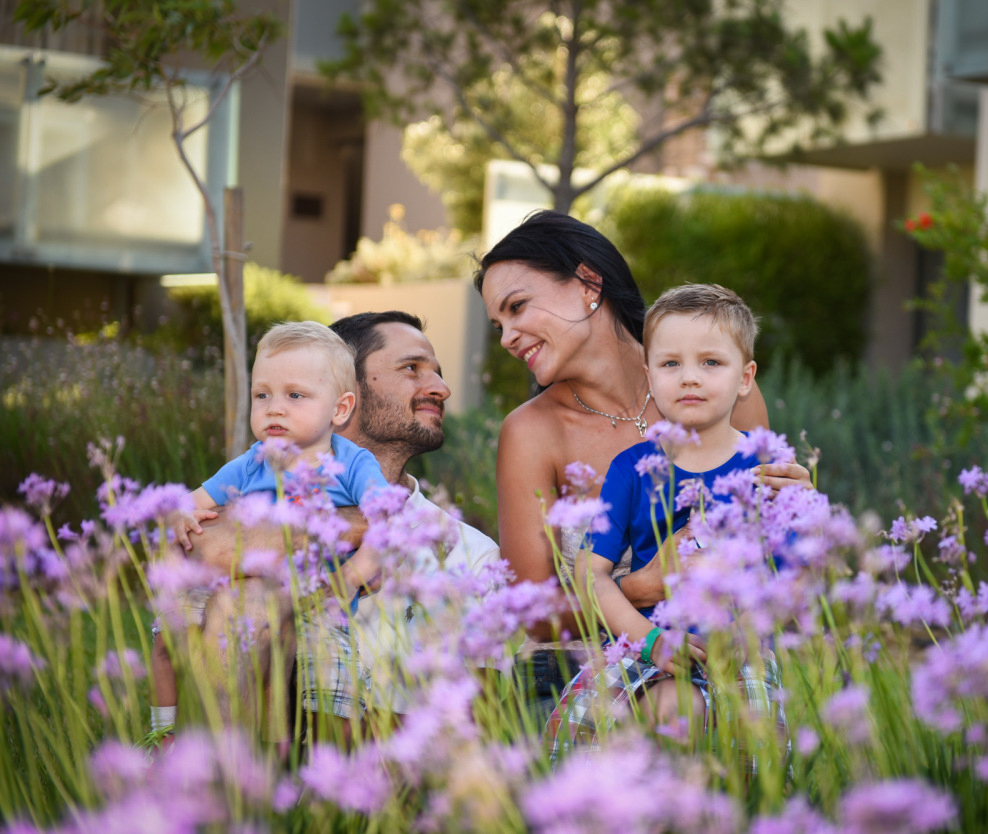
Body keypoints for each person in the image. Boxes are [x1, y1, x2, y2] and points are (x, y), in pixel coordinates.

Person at [474, 211, 796, 710]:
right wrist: (642, 585)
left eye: (517, 307)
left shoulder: (719, 391)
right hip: (581, 667)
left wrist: (798, 506)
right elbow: (533, 613)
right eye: (499, 323)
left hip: (728, 653)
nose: (507, 337)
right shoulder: (530, 432)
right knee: (676, 711)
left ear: (588, 283)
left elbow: (772, 547)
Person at [181, 312, 498, 733]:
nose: (441, 388)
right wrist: (351, 528)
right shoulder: (254, 484)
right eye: (412, 368)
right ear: (350, 393)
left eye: (437, 373)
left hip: (377, 774)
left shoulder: (470, 551)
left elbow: (477, 719)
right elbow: (195, 545)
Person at [546, 283, 811, 746]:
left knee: (757, 743)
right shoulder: (631, 469)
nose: (690, 377)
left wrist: (806, 522)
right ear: (649, 378)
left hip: (739, 647)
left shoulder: (767, 469)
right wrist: (649, 639)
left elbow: (796, 586)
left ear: (745, 377)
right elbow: (592, 575)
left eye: (711, 362)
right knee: (583, 727)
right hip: (644, 640)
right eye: (671, 364)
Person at [152, 321, 387, 743]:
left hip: (318, 599)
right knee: (168, 628)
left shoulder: (353, 464)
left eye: (295, 396)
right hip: (240, 586)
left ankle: (317, 777)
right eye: (263, 395)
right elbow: (190, 502)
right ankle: (163, 732)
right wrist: (179, 518)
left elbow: (385, 524)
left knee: (332, 692)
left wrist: (352, 576)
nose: (274, 408)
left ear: (340, 408)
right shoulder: (253, 461)